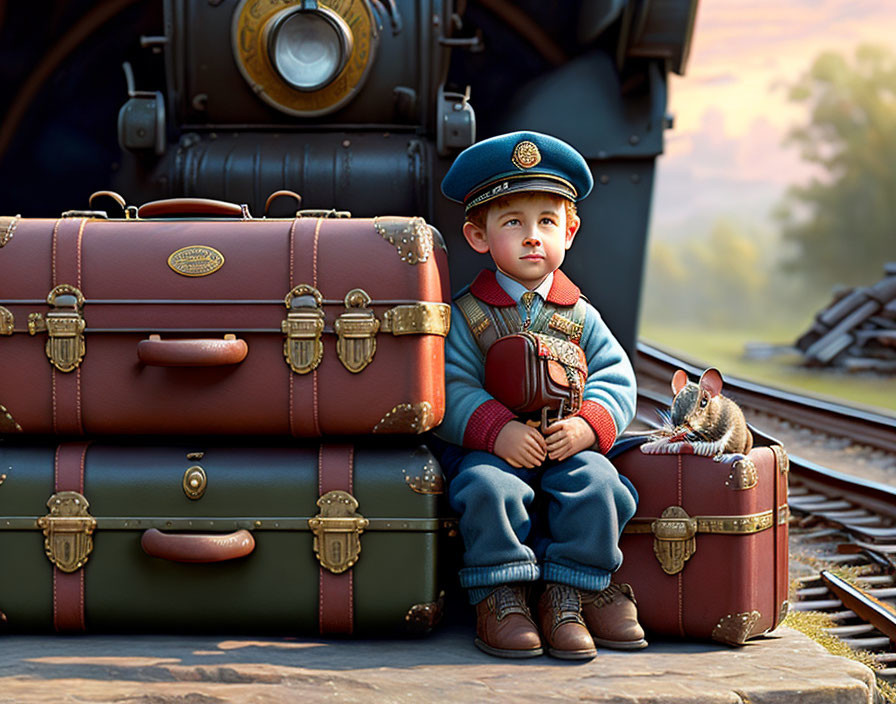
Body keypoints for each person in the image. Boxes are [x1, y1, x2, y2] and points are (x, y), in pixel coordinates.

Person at [434, 131, 645, 660]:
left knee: (601, 485)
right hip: (497, 451)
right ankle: (500, 594)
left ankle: (573, 592)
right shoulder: (469, 316)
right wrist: (496, 431)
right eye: (513, 223)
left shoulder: (581, 315)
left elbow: (616, 377)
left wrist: (588, 425)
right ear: (478, 236)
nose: (533, 237)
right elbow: (449, 383)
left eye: (547, 222)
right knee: (485, 489)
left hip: (565, 443)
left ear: (569, 231)